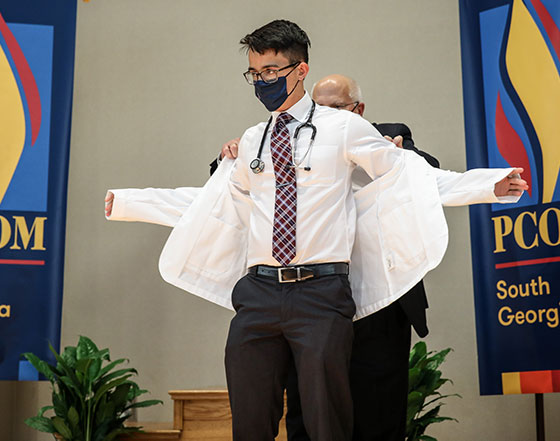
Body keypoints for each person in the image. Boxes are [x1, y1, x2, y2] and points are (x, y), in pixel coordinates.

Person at [104, 19, 527, 441]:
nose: (262, 82)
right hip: (259, 294)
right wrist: (131, 203)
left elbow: (408, 178)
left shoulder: (344, 128)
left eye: (272, 72)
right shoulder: (252, 140)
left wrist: (487, 185)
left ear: (300, 69)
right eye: (255, 73)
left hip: (321, 293)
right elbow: (213, 205)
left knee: (326, 421)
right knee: (250, 419)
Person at [214, 73, 441, 441]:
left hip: (378, 300)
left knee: (379, 411)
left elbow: (428, 173)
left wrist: (399, 151)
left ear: (359, 109)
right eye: (320, 107)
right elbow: (237, 190)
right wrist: (229, 155)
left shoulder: (380, 134)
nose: (326, 114)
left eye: (337, 107)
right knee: (307, 411)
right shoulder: (290, 139)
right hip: (310, 295)